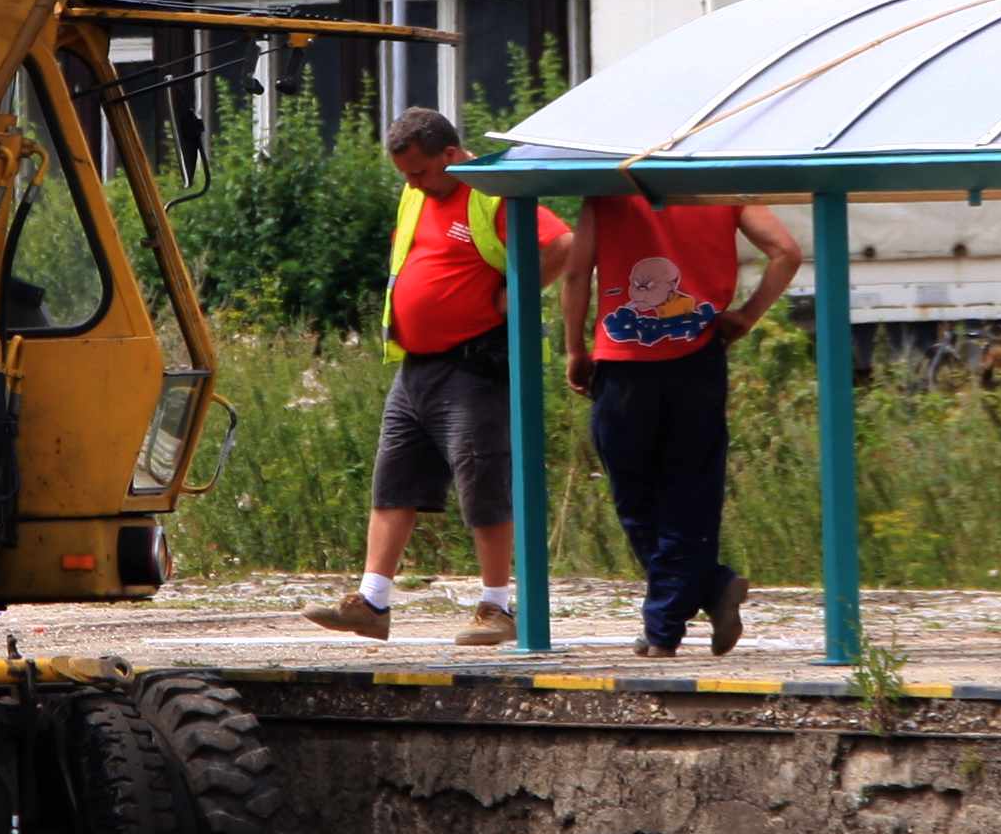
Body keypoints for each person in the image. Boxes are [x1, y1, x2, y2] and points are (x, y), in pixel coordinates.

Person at [301, 107, 574, 646]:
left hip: (473, 365)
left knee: (482, 484)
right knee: (393, 481)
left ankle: (497, 607)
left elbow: (562, 243)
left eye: (420, 172)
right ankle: (371, 602)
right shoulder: (417, 194)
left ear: (451, 156)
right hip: (416, 368)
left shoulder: (492, 193)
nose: (414, 184)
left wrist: (512, 294)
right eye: (405, 174)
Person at [562, 188, 803, 658]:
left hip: (623, 365)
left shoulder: (606, 192)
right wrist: (748, 315)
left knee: (636, 498)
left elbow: (575, 273)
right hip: (699, 359)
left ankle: (666, 626)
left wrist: (575, 348)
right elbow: (786, 253)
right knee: (691, 492)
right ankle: (707, 589)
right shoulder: (720, 187)